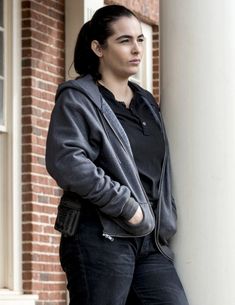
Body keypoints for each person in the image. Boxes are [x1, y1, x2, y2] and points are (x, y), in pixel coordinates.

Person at [46, 4, 189, 305]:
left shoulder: (147, 103)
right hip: (100, 235)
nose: (136, 48)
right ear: (98, 47)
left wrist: (162, 219)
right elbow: (67, 162)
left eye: (140, 39)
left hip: (149, 241)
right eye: (124, 41)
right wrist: (126, 206)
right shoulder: (78, 99)